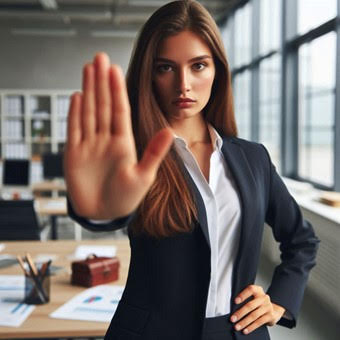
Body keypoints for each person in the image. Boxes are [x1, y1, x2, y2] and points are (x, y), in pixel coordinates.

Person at [65, 1, 320, 339]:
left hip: (239, 333)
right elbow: (110, 211)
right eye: (165, 68)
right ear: (149, 74)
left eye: (198, 65)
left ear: (218, 70)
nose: (183, 84)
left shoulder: (253, 158)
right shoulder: (137, 159)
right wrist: (100, 214)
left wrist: (279, 302)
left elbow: (302, 239)